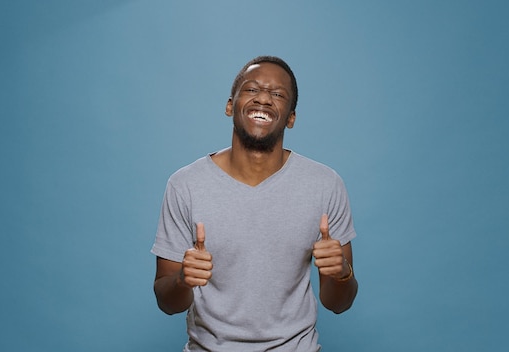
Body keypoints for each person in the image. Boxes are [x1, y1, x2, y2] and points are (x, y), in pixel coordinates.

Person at [151, 55, 358, 351]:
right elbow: (166, 302)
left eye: (277, 94)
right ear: (229, 105)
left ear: (291, 117)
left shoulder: (325, 184)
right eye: (251, 89)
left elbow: (339, 303)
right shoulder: (185, 185)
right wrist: (183, 280)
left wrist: (341, 273)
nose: (263, 98)